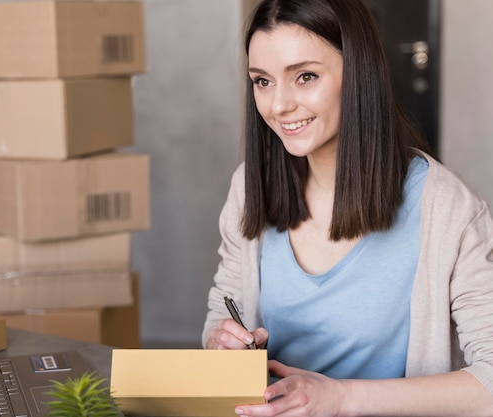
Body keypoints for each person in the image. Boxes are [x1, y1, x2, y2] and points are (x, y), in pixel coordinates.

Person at [202, 0, 493, 415]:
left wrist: (341, 398)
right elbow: (222, 309)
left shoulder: (447, 209)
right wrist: (219, 340)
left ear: (359, 74)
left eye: (305, 77)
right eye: (262, 81)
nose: (279, 105)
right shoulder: (251, 186)